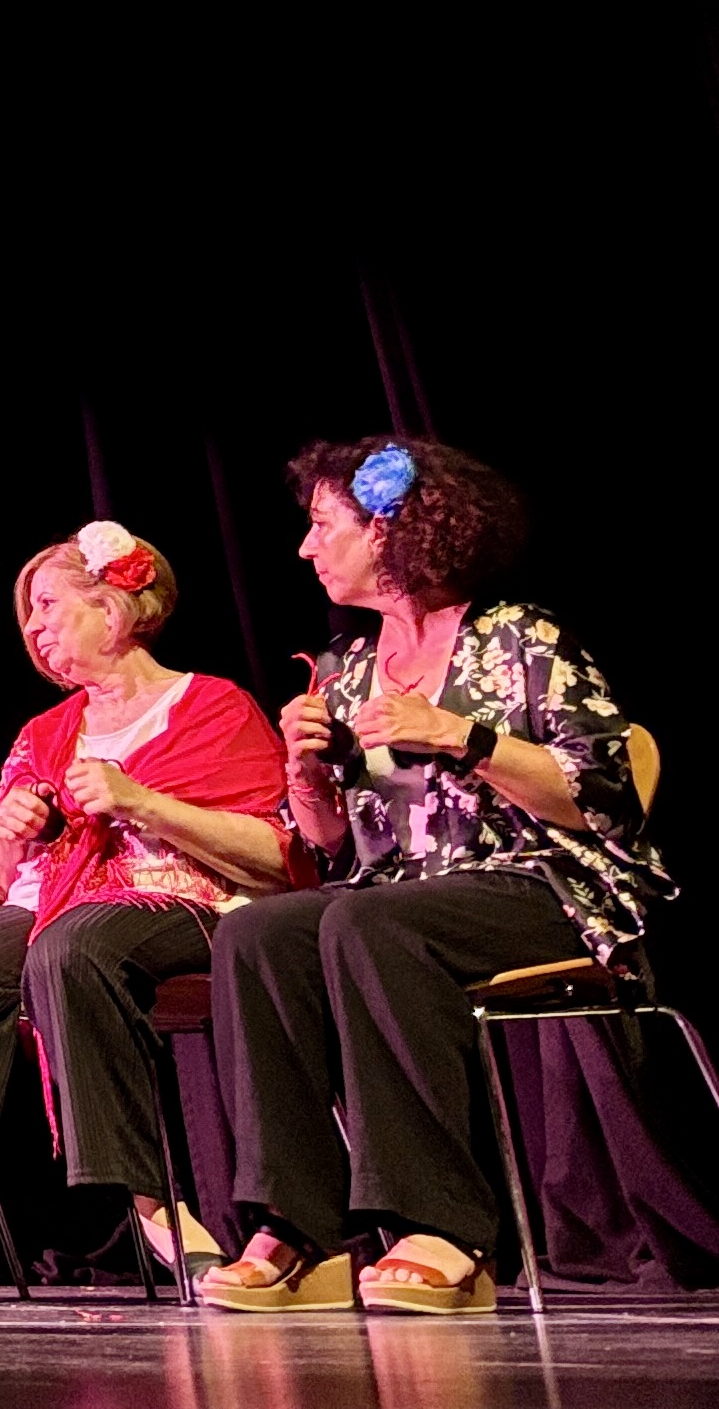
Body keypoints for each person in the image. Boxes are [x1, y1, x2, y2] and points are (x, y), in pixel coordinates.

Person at [204, 439, 672, 1316]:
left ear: (389, 533)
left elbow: (602, 796)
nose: (306, 549)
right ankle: (301, 1229)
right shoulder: (344, 674)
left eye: (321, 527)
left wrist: (465, 736)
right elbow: (339, 851)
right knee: (256, 930)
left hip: (547, 885)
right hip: (402, 896)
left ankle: (444, 1227)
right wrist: (305, 781)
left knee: (370, 925)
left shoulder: (518, 638)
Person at [0, 522, 301, 1305]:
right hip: (54, 910)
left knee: (74, 943)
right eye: (26, 616)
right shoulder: (44, 732)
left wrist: (143, 803)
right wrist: (7, 836)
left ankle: (154, 1201)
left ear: (112, 610)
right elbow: (0, 877)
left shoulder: (209, 704)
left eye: (46, 605)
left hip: (182, 903)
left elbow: (274, 856)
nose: (33, 628)